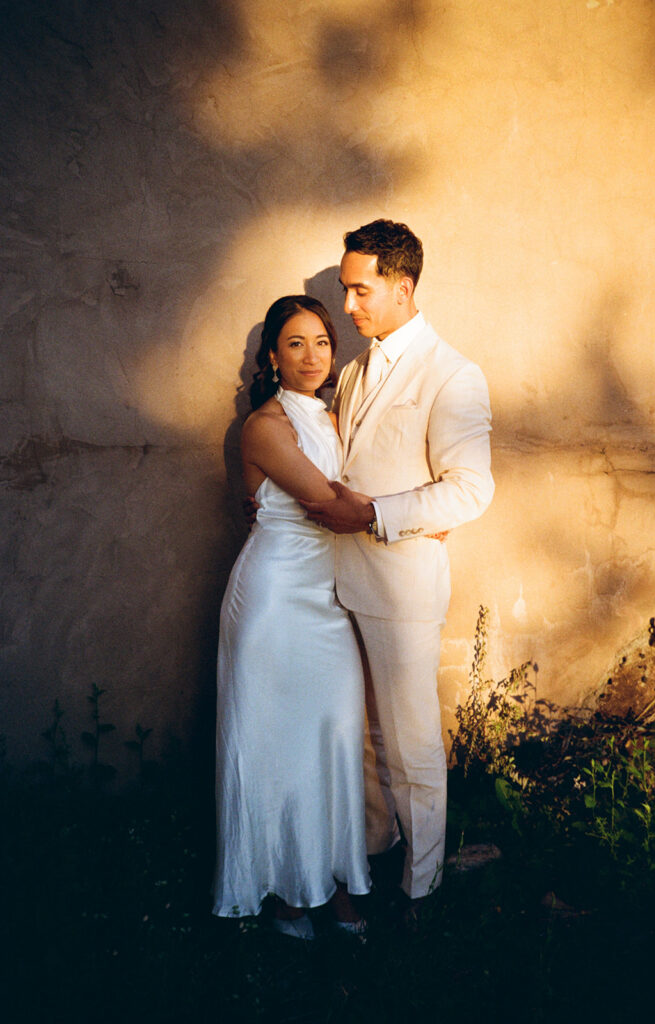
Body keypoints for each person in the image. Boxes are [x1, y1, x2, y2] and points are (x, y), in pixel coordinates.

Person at [301, 220, 494, 917]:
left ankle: (423, 886)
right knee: (359, 734)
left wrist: (378, 514)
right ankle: (374, 852)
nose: (347, 305)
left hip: (401, 585)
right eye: (346, 290)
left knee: (412, 745)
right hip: (338, 579)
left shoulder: (452, 374)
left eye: (360, 290)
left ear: (402, 286)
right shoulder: (352, 369)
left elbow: (470, 488)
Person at [212, 295, 371, 940]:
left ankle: (331, 880)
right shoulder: (264, 425)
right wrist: (416, 515)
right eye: (296, 344)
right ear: (273, 357)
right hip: (275, 600)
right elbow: (326, 501)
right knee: (276, 744)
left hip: (329, 597)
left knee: (332, 739)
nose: (312, 356)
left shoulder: (336, 418)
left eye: (322, 343)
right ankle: (285, 893)